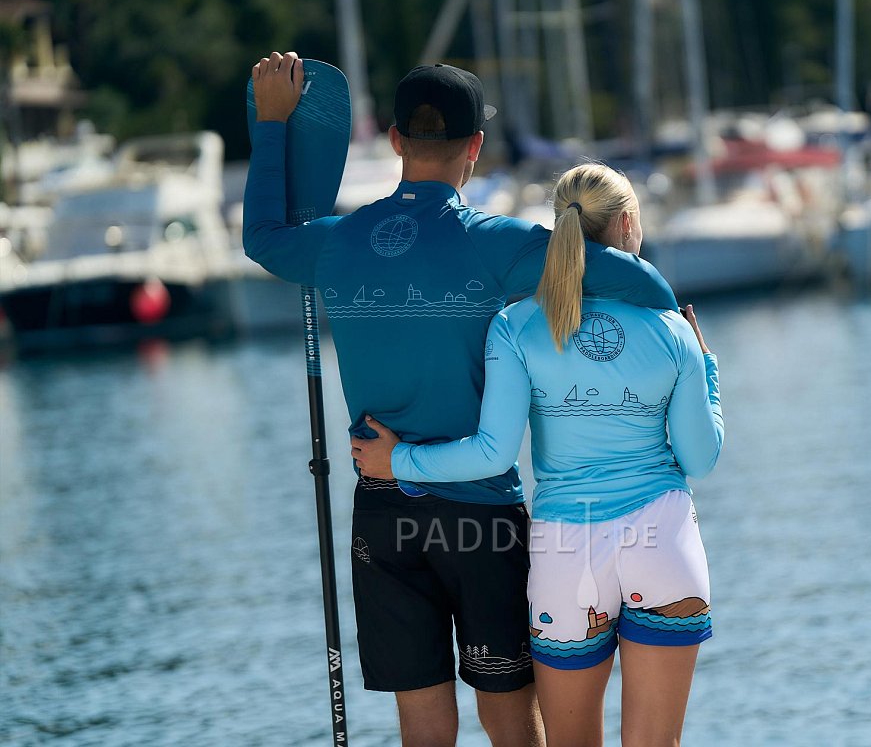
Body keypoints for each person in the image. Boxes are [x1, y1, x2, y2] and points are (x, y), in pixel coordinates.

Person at [244, 54, 678, 747]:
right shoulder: (496, 244)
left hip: (383, 514)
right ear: (475, 147)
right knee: (509, 718)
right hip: (481, 518)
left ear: (393, 140)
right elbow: (633, 281)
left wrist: (271, 125)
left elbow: (260, 237)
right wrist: (680, 339)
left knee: (423, 729)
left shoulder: (337, 242)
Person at [353, 163, 724, 747]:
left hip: (566, 550)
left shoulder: (518, 325)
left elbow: (492, 452)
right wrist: (709, 371)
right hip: (662, 537)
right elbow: (700, 459)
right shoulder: (671, 329)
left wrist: (397, 463)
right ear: (629, 224)